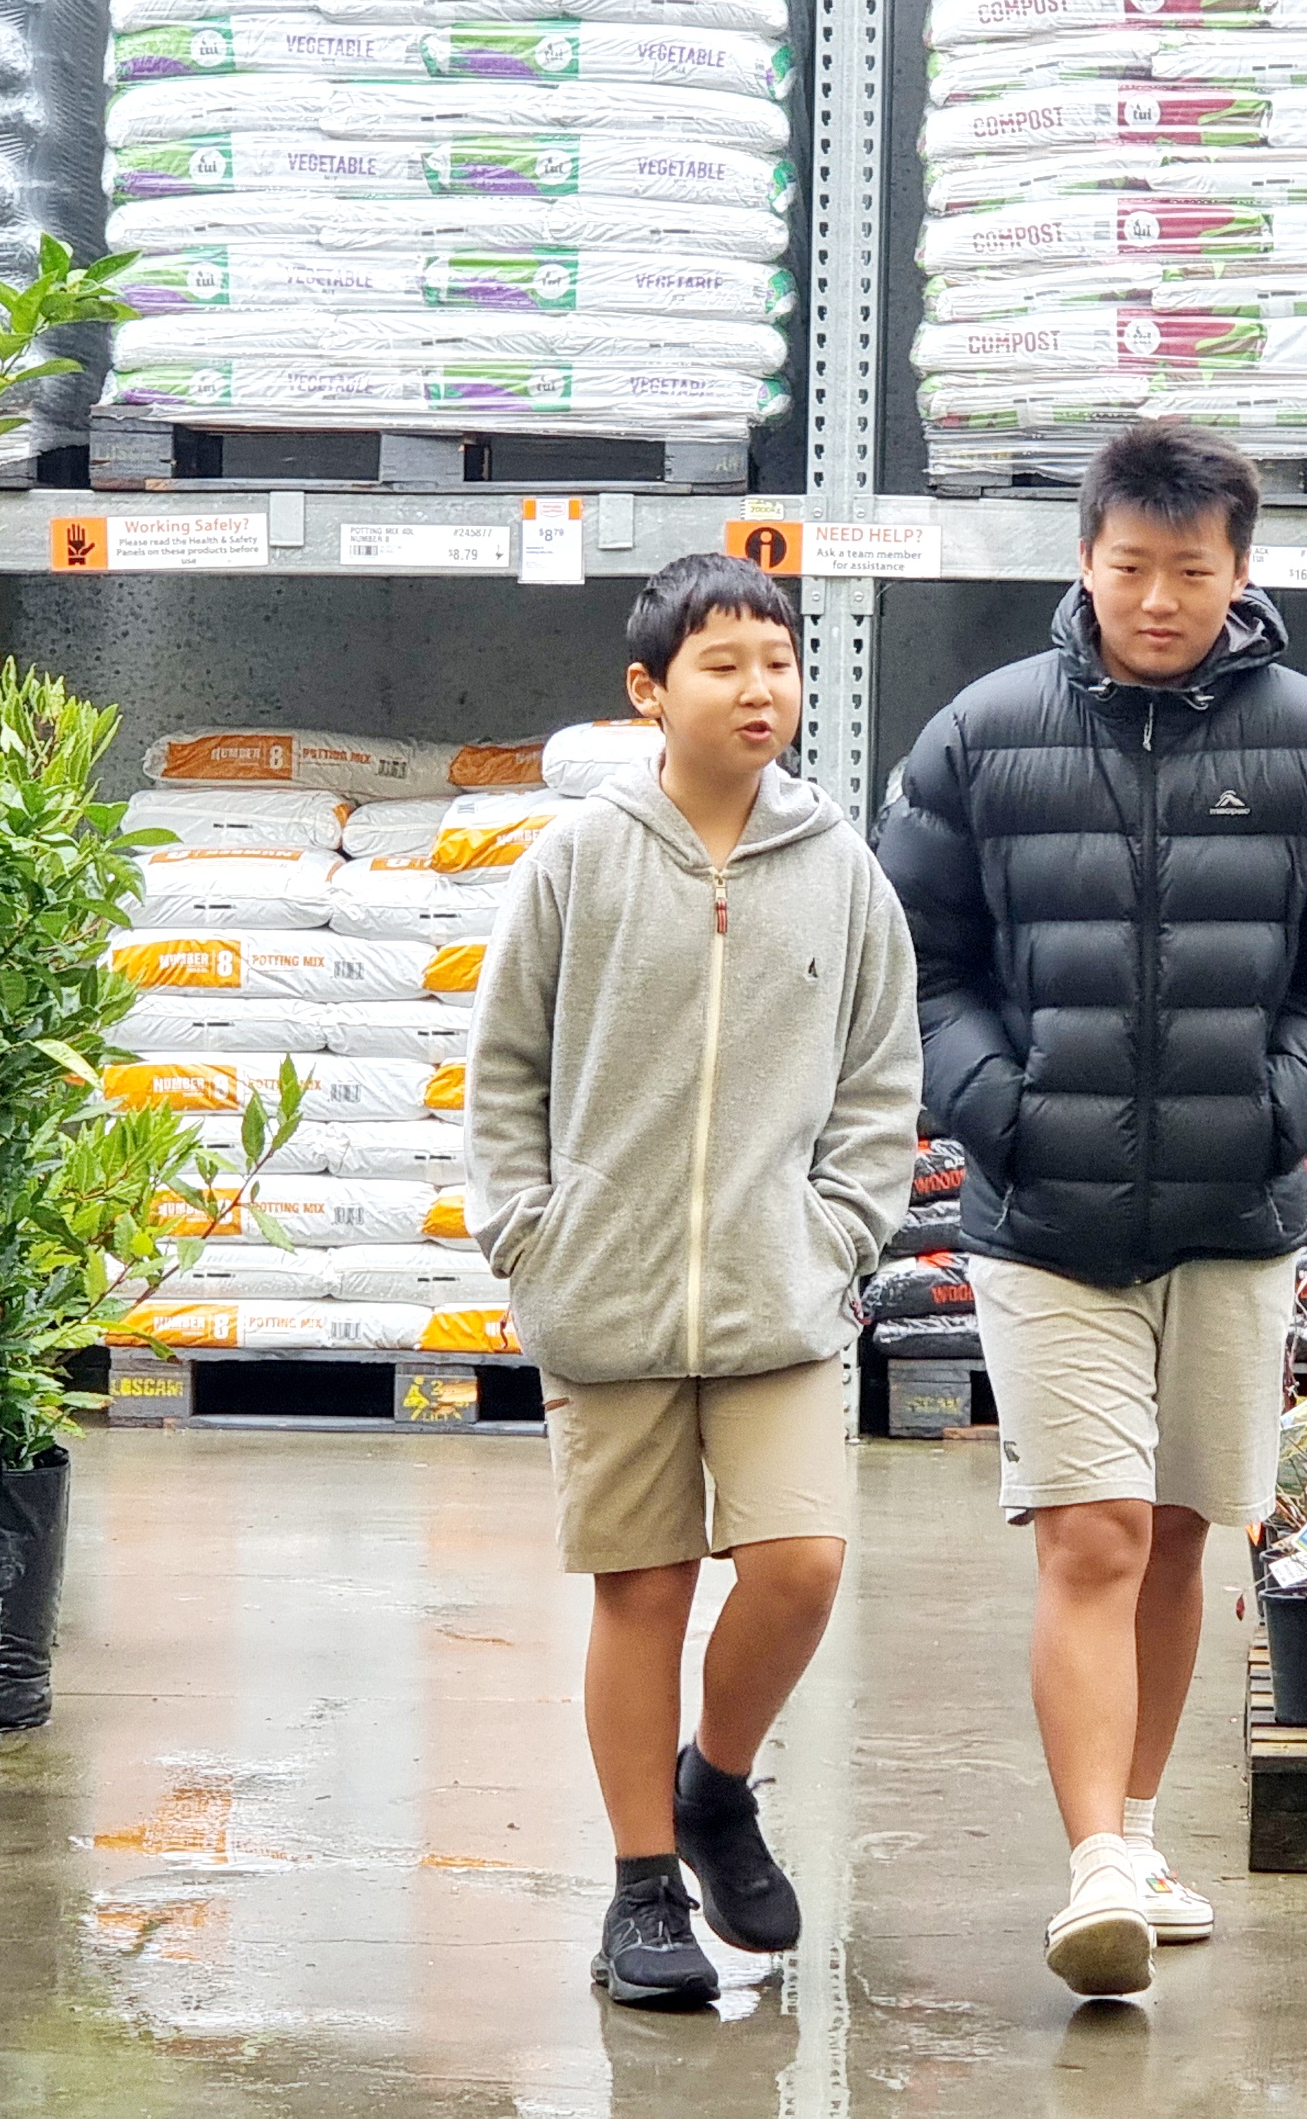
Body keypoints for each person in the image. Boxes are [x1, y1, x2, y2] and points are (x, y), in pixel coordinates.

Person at [873, 422, 1307, 1997]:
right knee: (1092, 1533)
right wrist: (1006, 1110)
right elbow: (917, 956)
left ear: (1240, 570)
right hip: (1046, 1219)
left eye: (1190, 570)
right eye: (1131, 569)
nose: (1159, 600)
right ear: (1085, 562)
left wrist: (1277, 1111)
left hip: (1233, 1213)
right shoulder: (983, 737)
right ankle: (1094, 1860)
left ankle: (1142, 1827)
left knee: (1184, 1534)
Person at [467, 551, 922, 2010]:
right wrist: (528, 1231)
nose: (759, 688)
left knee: (800, 1568)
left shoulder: (840, 869)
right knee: (645, 1588)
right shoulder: (578, 862)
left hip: (780, 1295)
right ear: (649, 691)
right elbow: (505, 1069)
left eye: (777, 661)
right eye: (723, 664)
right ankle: (642, 1891)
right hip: (605, 1292)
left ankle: (715, 1786)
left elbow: (880, 1079)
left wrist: (841, 1230)